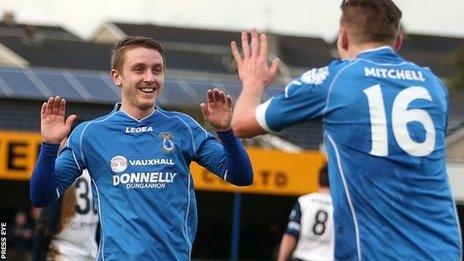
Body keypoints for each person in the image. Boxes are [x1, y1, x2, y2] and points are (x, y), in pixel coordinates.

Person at [230, 0, 461, 259]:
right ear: (397, 43)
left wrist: (252, 82)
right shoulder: (434, 86)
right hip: (444, 250)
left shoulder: (334, 80)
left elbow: (240, 124)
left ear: (343, 38)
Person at [30, 36, 253, 260]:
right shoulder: (89, 135)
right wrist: (49, 146)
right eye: (139, 69)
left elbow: (241, 176)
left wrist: (226, 132)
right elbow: (41, 196)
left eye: (157, 70)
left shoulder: (183, 127)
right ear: (117, 76)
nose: (150, 78)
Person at [33, 170, 99, 261]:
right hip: (90, 253)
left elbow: (48, 223)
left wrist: (38, 256)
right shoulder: (96, 171)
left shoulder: (64, 168)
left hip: (62, 252)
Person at [277, 164, 333, 261]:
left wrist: (281, 259)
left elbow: (290, 235)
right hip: (328, 257)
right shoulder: (340, 205)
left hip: (303, 256)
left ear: (318, 180)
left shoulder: (304, 201)